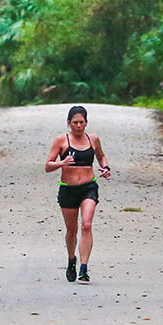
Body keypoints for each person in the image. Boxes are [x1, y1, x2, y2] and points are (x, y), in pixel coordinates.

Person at [45, 104, 111, 282]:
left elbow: (101, 156)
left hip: (89, 187)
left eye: (82, 122)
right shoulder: (61, 141)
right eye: (75, 122)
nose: (79, 126)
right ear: (68, 123)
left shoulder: (93, 139)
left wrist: (105, 168)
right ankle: (71, 259)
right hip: (68, 189)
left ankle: (84, 268)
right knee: (71, 230)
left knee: (87, 225)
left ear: (86, 122)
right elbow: (47, 166)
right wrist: (62, 163)